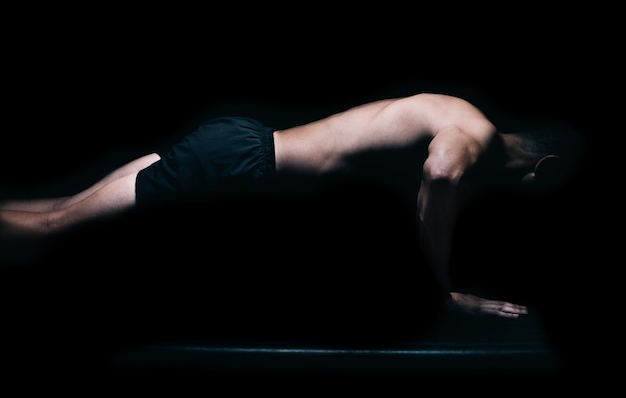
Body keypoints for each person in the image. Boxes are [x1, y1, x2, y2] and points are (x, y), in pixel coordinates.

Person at [0, 91, 584, 321]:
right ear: (544, 167)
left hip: (237, 145)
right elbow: (439, 173)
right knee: (57, 224)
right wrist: (444, 292)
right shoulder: (472, 134)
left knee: (60, 206)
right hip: (235, 160)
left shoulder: (458, 111)